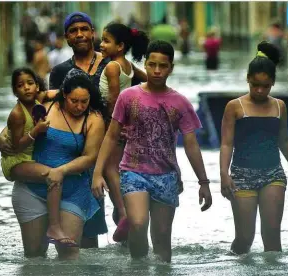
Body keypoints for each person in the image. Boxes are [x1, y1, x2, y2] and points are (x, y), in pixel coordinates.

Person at [91, 40, 213, 263]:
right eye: (152, 64)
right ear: (145, 64)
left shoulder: (180, 102)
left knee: (162, 240)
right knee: (137, 223)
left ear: (171, 68)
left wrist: (203, 182)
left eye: (163, 66)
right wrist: (97, 173)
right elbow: (111, 136)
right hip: (132, 171)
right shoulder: (128, 97)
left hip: (166, 175)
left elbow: (191, 144)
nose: (157, 71)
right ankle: (138, 267)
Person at [46, 11, 146, 248]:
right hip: (77, 154)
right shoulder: (60, 71)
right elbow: (52, 110)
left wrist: (130, 122)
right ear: (66, 38)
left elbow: (144, 84)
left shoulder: (111, 62)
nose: (79, 34)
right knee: (87, 229)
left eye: (84, 29)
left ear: (92, 32)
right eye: (73, 30)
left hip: (114, 143)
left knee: (126, 208)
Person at [218, 41, 288, 255]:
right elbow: (226, 143)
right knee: (244, 240)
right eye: (254, 85)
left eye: (266, 86)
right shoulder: (235, 107)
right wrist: (224, 174)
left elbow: (284, 141)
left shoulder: (279, 106)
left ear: (273, 83)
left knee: (272, 240)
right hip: (241, 176)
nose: (259, 90)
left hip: (273, 175)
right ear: (248, 80)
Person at [1, 67, 79, 247]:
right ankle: (54, 226)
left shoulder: (40, 98)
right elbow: (16, 146)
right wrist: (36, 131)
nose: (26, 88)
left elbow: (61, 92)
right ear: (15, 91)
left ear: (37, 86)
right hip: (17, 161)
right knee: (53, 176)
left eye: (30, 83)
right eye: (20, 85)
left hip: (31, 158)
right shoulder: (17, 114)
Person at [98, 22, 150, 241]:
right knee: (117, 168)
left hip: (114, 124)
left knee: (110, 169)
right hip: (126, 122)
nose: (101, 44)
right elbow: (147, 78)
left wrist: (114, 126)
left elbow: (114, 99)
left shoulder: (112, 67)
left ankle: (123, 212)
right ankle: (125, 211)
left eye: (106, 41)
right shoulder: (127, 65)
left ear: (120, 46)